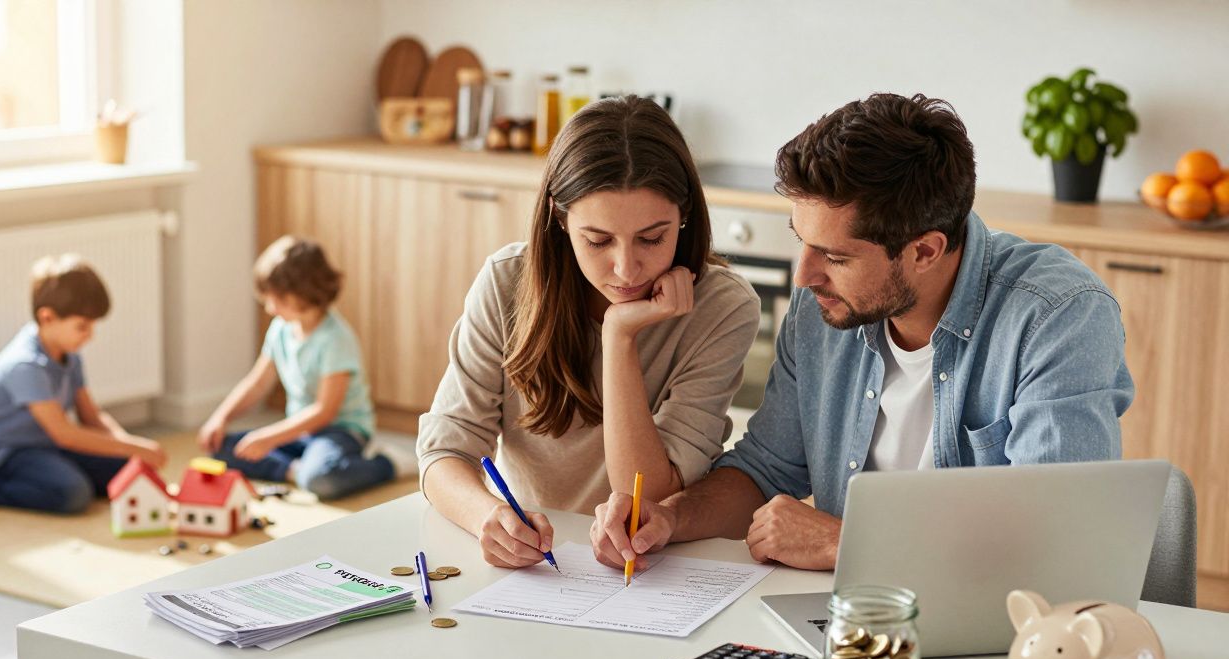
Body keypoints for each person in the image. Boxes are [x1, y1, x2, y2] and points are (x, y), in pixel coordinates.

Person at [590, 93, 1135, 571]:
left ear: (925, 251)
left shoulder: (1058, 316)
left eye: (834, 256)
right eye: (800, 240)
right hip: (847, 617)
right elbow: (764, 469)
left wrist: (849, 541)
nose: (804, 276)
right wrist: (669, 518)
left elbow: (1057, 543)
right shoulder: (824, 309)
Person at [417, 96, 761, 568]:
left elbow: (645, 498)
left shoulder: (723, 308)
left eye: (652, 238)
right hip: (539, 564)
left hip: (655, 567)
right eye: (597, 241)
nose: (626, 267)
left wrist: (619, 337)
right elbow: (444, 449)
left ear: (684, 215)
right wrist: (488, 518)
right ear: (560, 218)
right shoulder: (506, 281)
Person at [0, 255, 167, 513]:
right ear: (47, 318)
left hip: (51, 447)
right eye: (82, 326)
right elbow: (65, 434)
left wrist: (129, 448)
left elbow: (90, 416)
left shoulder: (70, 355)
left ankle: (63, 472)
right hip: (13, 453)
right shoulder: (25, 365)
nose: (90, 335)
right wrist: (134, 447)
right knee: (73, 494)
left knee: (127, 473)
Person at [199, 236, 395, 499]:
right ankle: (295, 471)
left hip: (339, 432)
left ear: (304, 293)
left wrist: (269, 438)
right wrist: (221, 417)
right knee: (222, 449)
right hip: (299, 431)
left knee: (322, 480)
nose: (270, 308)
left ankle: (386, 464)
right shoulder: (281, 329)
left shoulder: (335, 339)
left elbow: (325, 412)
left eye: (277, 300)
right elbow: (257, 383)